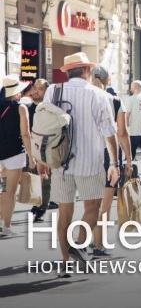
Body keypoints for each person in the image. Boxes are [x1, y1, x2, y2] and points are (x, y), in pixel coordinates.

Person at [38, 52, 120, 271]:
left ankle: (65, 263)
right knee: (93, 206)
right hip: (90, 161)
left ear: (68, 71)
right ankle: (80, 244)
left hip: (59, 160)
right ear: (86, 70)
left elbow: (44, 127)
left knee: (64, 211)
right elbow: (109, 133)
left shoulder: (53, 91)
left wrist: (41, 159)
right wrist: (115, 164)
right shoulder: (98, 94)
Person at [89, 65, 133, 256]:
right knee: (104, 205)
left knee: (90, 204)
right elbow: (122, 133)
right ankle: (98, 245)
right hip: (109, 157)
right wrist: (129, 160)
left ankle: (85, 241)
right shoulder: (115, 101)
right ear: (108, 80)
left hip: (86, 156)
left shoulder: (84, 98)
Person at [0, 75, 33, 237]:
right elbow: (25, 134)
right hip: (14, 153)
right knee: (10, 191)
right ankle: (6, 226)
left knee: (2, 190)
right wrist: (32, 157)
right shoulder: (21, 108)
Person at [28, 79, 53, 223]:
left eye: (40, 89)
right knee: (32, 178)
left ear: (46, 91)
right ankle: (37, 202)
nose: (36, 91)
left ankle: (42, 207)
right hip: (30, 148)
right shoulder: (27, 108)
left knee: (45, 179)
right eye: (35, 88)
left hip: (46, 148)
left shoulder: (50, 108)